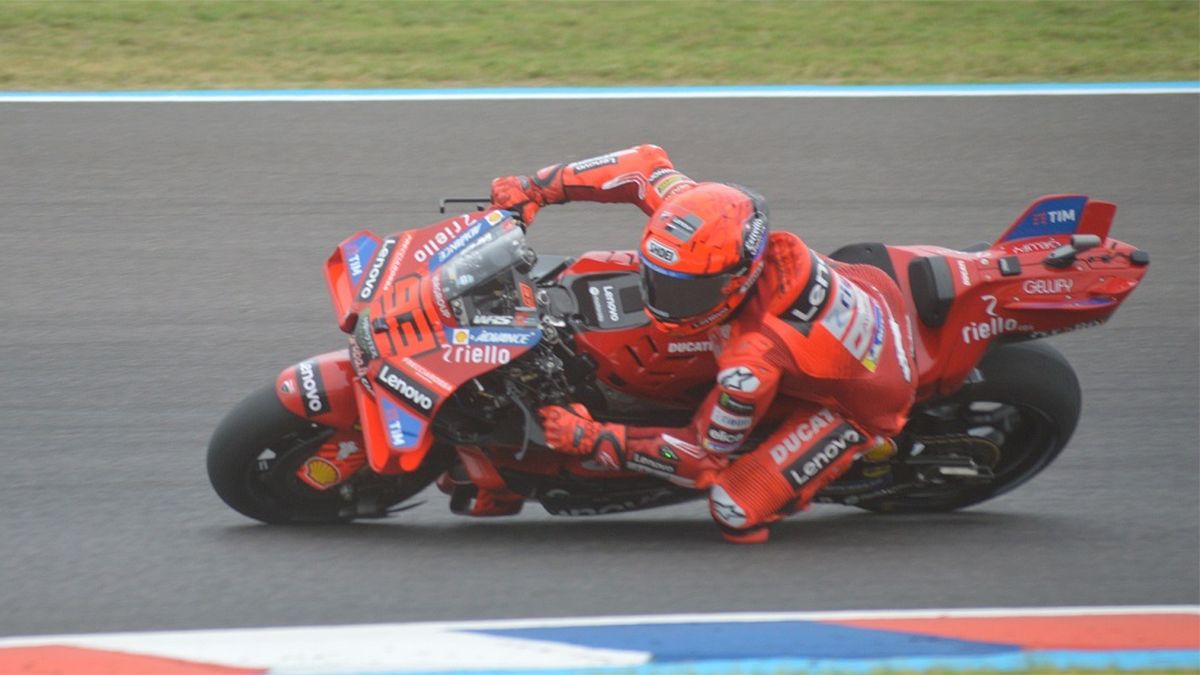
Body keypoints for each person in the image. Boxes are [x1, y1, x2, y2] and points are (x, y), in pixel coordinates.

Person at [490, 145, 917, 543]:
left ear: (738, 280)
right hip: (869, 287)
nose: (662, 299)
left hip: (862, 398)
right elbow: (642, 164)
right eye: (657, 278)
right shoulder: (700, 218)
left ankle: (864, 454)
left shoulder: (750, 363)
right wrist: (536, 188)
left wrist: (595, 437)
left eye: (686, 292)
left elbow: (701, 456)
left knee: (734, 510)